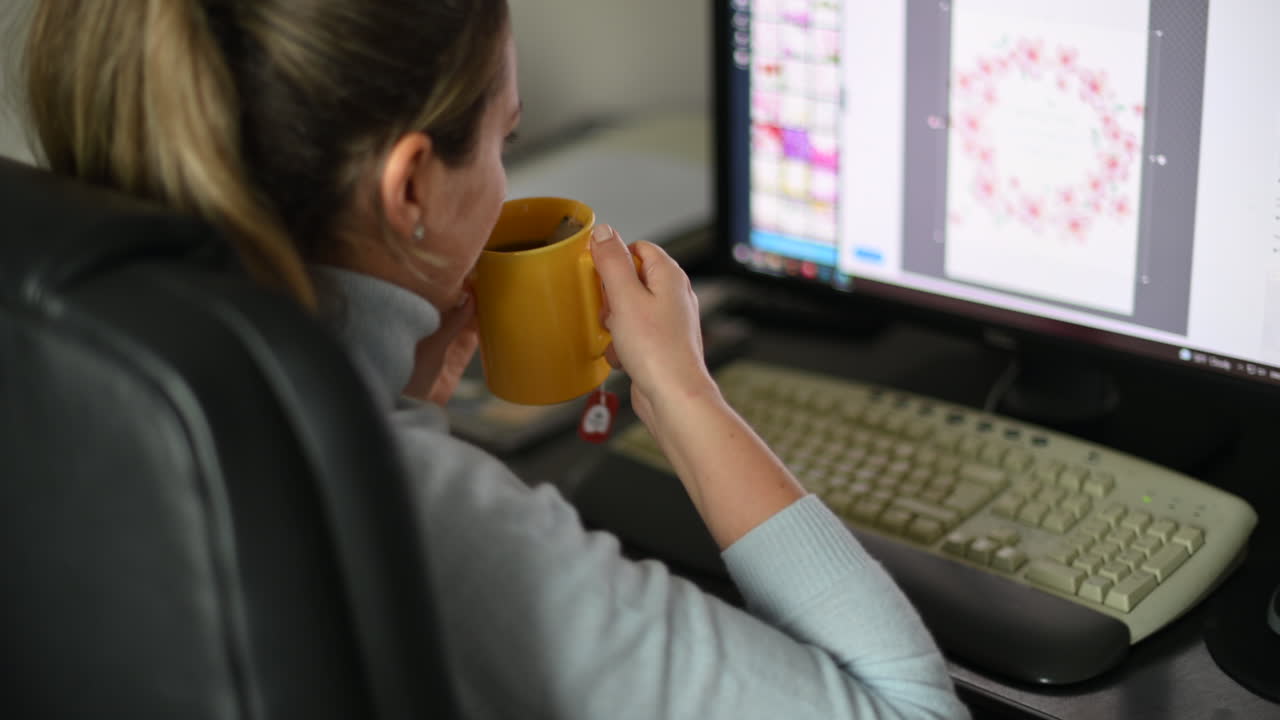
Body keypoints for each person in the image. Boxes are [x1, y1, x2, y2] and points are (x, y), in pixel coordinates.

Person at [21, 1, 969, 718]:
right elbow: (911, 705)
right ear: (410, 190)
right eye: (504, 139)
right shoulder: (410, 499)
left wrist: (396, 391)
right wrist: (680, 386)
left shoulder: (62, 358)